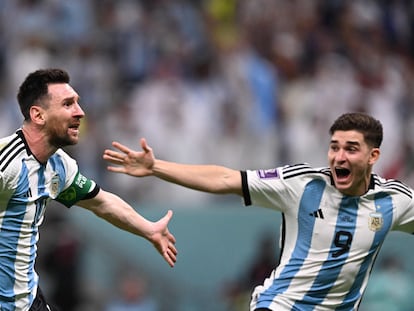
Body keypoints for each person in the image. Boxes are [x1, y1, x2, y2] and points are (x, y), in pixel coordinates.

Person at [103, 112, 414, 311]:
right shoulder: (303, 184)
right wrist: (156, 166)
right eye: (334, 147)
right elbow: (226, 178)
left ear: (373, 156)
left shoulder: (394, 201)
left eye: (351, 149)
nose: (338, 157)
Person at [0, 68, 178, 311]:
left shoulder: (59, 167)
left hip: (28, 301)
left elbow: (102, 203)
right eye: (67, 104)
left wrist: (149, 229)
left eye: (78, 103)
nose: (80, 112)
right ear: (38, 115)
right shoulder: (7, 163)